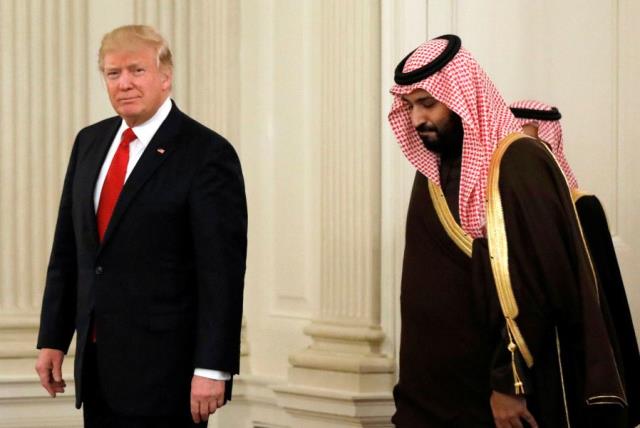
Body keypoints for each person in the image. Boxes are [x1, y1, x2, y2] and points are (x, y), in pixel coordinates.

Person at [388, 34, 630, 427]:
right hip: (432, 394)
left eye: (427, 103)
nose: (417, 119)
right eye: (410, 106)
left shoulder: (519, 163)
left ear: (461, 95)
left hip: (490, 396)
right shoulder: (432, 171)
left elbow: (533, 282)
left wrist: (508, 383)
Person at [35, 25, 247, 427]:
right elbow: (68, 250)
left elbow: (222, 272)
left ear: (165, 77)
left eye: (137, 70)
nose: (124, 83)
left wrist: (213, 367)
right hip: (98, 369)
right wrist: (52, 338)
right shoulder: (90, 142)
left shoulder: (206, 153)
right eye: (113, 73)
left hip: (170, 375)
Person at [510, 100, 640, 427]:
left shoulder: (583, 208)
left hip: (574, 348)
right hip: (521, 356)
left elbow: (608, 299)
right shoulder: (498, 213)